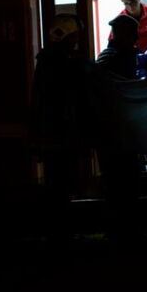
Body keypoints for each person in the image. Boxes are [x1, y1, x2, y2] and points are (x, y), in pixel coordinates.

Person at [29, 14, 93, 244]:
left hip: (50, 137)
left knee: (55, 186)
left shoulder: (45, 63)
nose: (76, 40)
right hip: (64, 137)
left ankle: (56, 232)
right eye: (74, 35)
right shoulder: (69, 64)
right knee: (62, 186)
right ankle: (61, 233)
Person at [95, 14, 143, 244]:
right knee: (122, 181)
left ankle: (121, 228)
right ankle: (122, 229)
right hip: (116, 130)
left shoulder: (111, 57)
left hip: (113, 130)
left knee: (118, 181)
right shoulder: (115, 58)